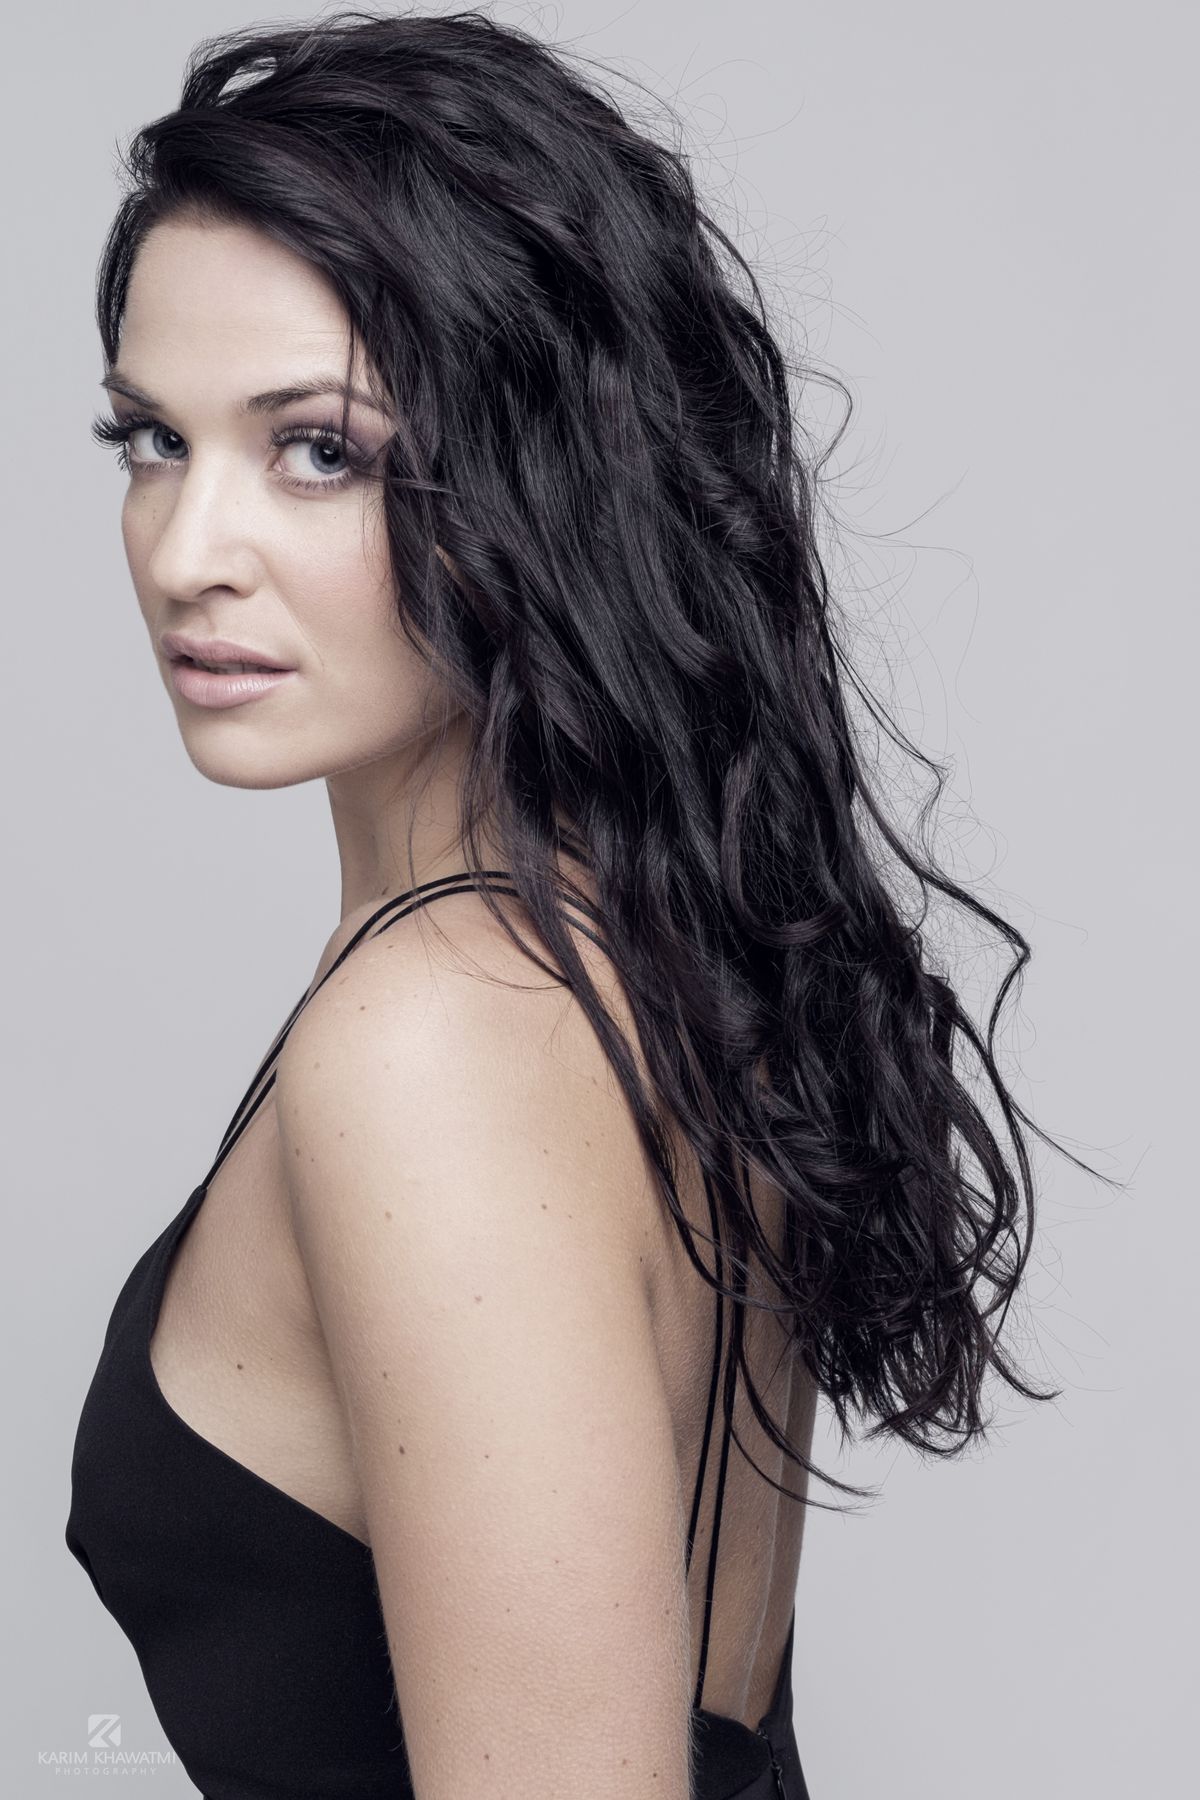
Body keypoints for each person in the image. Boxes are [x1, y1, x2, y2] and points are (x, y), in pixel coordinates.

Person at [64, 11, 1077, 1798]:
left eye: (318, 451)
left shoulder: (438, 1037)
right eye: (153, 436)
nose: (187, 550)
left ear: (537, 474)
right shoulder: (640, 948)